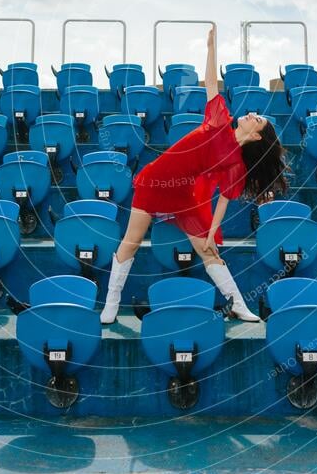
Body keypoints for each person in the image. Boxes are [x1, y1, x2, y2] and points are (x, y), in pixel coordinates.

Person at [100, 24, 289, 324]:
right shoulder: (218, 120)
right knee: (131, 241)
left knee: (208, 249)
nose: (253, 115)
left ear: (256, 137)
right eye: (256, 115)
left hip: (184, 195)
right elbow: (212, 84)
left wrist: (213, 230)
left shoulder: (235, 164)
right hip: (155, 180)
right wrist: (211, 48)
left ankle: (238, 304)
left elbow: (225, 199)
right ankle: (110, 304)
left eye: (259, 121)